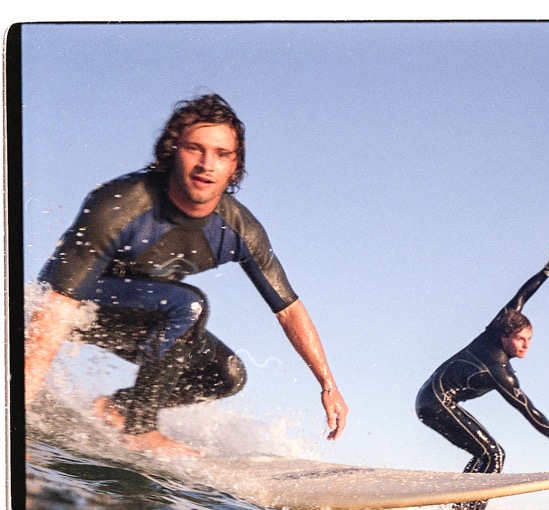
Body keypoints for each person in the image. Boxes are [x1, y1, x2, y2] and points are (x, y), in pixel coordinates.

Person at [24, 93, 348, 456]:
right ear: (172, 150)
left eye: (222, 154)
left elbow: (288, 309)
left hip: (144, 317)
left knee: (227, 375)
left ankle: (121, 410)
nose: (207, 164)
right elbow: (56, 305)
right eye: (196, 149)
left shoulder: (238, 229)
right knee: (187, 304)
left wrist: (327, 384)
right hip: (66, 308)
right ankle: (140, 428)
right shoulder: (122, 203)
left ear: (234, 165)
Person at [415, 243, 549, 510]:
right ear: (505, 338)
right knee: (494, 454)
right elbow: (527, 409)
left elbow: (522, 295)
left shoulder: (499, 326)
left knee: (484, 456)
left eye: (530, 339)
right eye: (520, 340)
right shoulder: (498, 369)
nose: (526, 346)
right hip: (436, 401)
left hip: (431, 399)